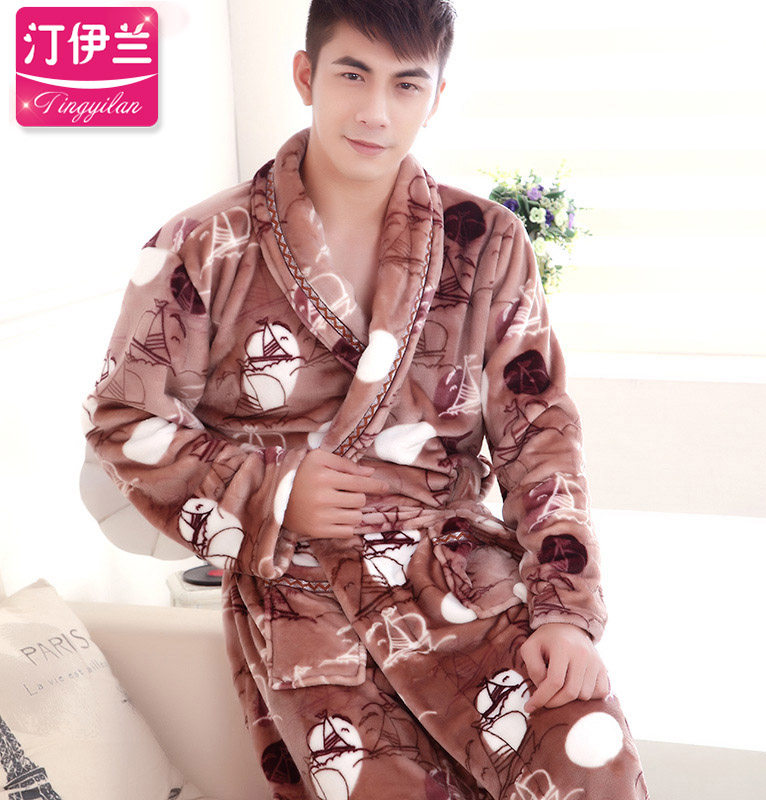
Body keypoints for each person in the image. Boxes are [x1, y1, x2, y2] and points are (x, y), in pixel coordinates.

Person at [81, 1, 650, 797]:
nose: (377, 112)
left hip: (463, 577)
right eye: (353, 75)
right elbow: (123, 418)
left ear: (435, 97)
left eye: (406, 85)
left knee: (591, 757)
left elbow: (540, 436)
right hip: (303, 594)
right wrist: (275, 490)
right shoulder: (202, 244)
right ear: (306, 75)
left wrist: (565, 611)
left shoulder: (487, 242)